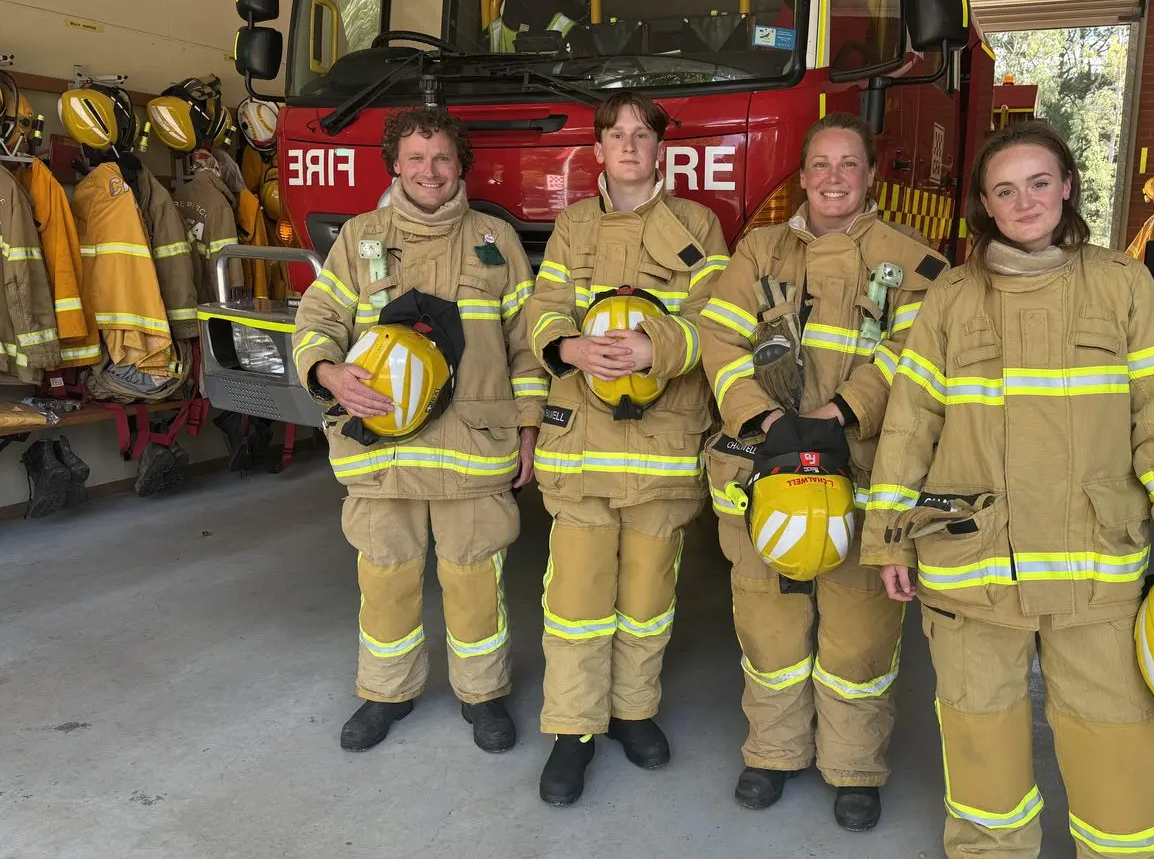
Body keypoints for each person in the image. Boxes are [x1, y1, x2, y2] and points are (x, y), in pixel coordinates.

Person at [861, 121, 1154, 859]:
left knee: (1116, 737)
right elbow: (908, 425)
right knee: (979, 730)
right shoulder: (952, 297)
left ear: (1067, 189)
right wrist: (888, 533)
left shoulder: (1122, 283)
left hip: (1095, 566)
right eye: (1004, 189)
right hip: (973, 567)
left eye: (1038, 182)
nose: (1023, 201)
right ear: (984, 206)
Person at [698, 112, 948, 832]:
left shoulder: (913, 261)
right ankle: (772, 753)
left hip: (862, 473)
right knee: (768, 622)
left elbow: (912, 355)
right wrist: (764, 419)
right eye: (821, 165)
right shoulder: (759, 249)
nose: (834, 178)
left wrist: (843, 411)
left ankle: (854, 768)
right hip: (761, 470)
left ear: (871, 176)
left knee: (858, 633)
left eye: (849, 165)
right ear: (802, 176)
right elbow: (718, 334)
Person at [291, 107, 547, 754]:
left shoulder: (497, 240)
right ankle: (385, 692)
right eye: (415, 157)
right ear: (395, 165)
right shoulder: (360, 238)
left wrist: (529, 428)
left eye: (440, 157)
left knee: (473, 576)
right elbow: (318, 316)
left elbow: (526, 346)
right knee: (386, 574)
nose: (429, 170)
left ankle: (483, 695)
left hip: (474, 446)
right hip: (383, 449)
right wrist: (327, 369)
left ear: (460, 164)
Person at [524, 91, 729, 806]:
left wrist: (657, 345)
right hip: (581, 452)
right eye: (617, 134)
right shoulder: (573, 226)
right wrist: (569, 344)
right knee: (576, 601)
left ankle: (634, 711)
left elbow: (719, 323)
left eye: (642, 134)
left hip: (662, 454)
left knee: (647, 599)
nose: (630, 144)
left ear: (660, 148)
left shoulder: (698, 226)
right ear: (600, 150)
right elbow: (542, 308)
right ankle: (572, 730)